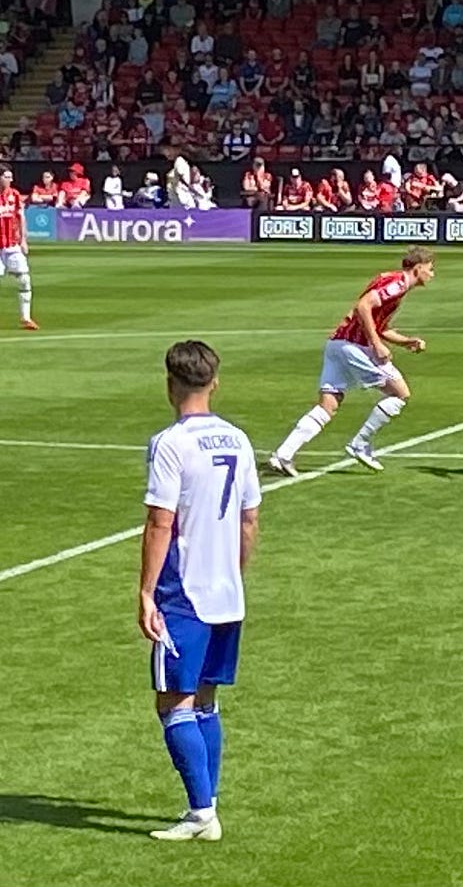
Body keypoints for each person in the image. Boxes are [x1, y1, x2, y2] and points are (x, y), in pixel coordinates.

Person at [139, 340, 262, 842]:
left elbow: (159, 522)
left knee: (173, 704)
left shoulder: (170, 443)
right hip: (227, 591)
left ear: (170, 385)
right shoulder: (238, 438)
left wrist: (147, 593)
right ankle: (207, 806)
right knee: (205, 701)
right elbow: (250, 520)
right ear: (214, 382)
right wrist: (235, 572)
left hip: (183, 592)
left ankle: (200, 814)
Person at [269, 247, 436, 476]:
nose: (432, 274)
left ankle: (283, 455)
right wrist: (376, 344)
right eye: (430, 268)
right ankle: (360, 443)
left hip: (337, 345)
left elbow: (378, 324)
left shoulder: (392, 281)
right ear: (418, 269)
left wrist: (406, 341)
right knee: (400, 393)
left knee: (328, 406)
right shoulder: (397, 284)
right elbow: (363, 306)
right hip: (353, 347)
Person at [0, 163, 38, 329]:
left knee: (24, 279)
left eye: (10, 176)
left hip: (12, 245)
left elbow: (21, 217)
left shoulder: (14, 195)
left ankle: (26, 318)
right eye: (7, 177)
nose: (10, 179)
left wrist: (24, 239)